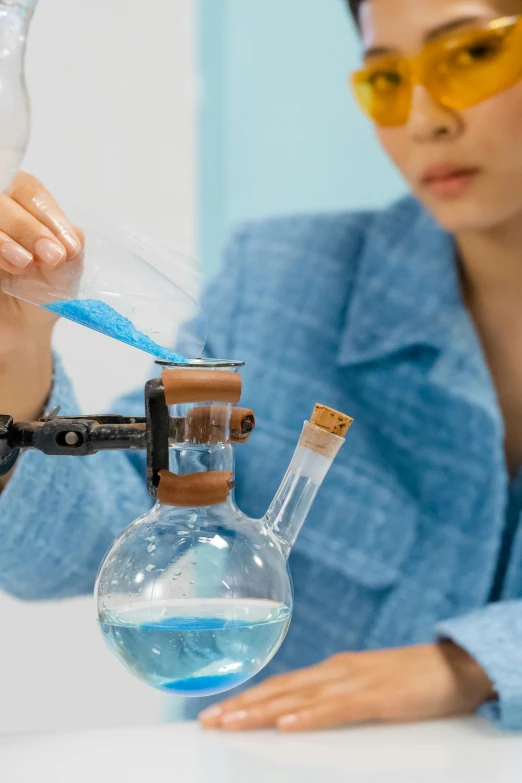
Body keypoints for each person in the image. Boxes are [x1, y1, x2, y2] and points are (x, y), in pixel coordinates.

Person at [1, 0, 522, 733]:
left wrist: (470, 662)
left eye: (470, 56)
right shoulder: (285, 280)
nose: (424, 117)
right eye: (387, 79)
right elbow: (68, 547)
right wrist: (18, 362)